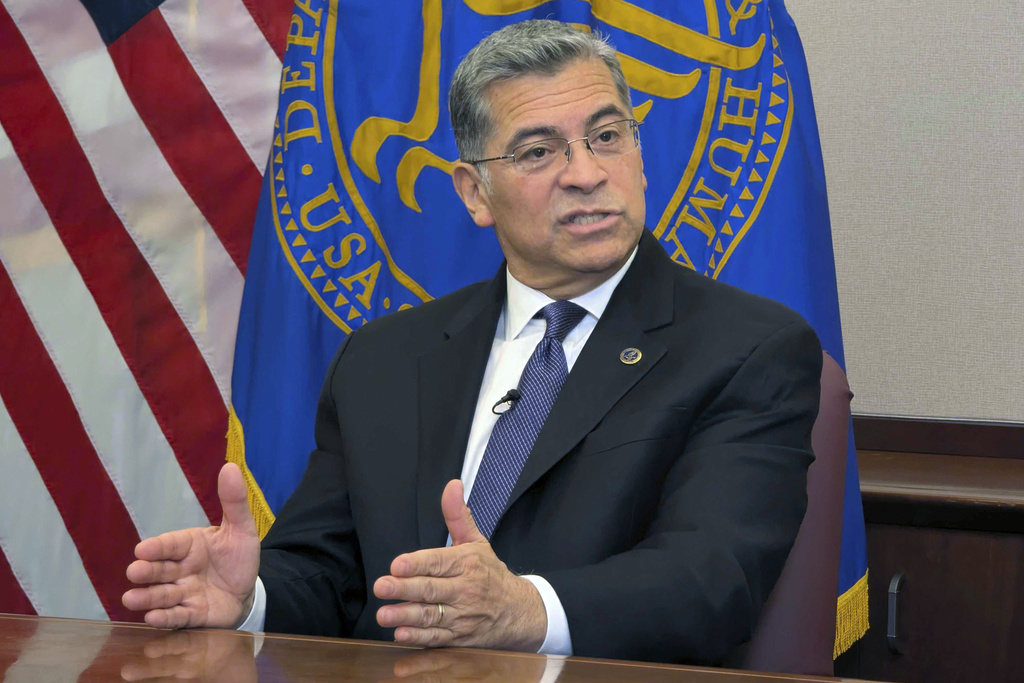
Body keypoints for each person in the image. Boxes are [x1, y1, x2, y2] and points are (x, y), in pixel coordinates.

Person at [123, 20, 822, 665]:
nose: (586, 173)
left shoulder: (747, 350)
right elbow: (329, 574)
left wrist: (525, 609)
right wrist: (251, 598)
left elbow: (711, 577)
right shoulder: (384, 361)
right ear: (474, 193)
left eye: (608, 136)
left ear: (639, 154)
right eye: (539, 150)